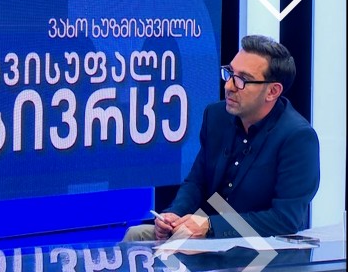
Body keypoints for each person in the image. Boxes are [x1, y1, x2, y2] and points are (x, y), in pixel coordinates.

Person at [124, 35, 320, 241]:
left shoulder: (297, 138)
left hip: (260, 246)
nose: (229, 86)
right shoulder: (216, 116)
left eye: (242, 80)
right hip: (207, 235)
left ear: (272, 91)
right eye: (230, 73)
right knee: (136, 236)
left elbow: (285, 220)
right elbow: (197, 182)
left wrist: (210, 226)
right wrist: (176, 214)